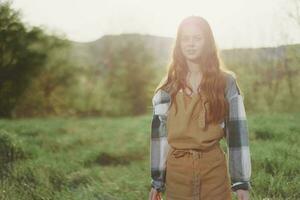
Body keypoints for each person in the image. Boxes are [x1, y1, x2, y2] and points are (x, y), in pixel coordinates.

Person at [148, 16, 252, 200]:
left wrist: (240, 182)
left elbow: (237, 135)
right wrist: (157, 182)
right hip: (178, 176)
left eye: (197, 38)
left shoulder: (226, 83)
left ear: (207, 42)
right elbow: (160, 139)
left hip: (214, 174)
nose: (191, 44)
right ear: (179, 44)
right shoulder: (167, 89)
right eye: (185, 39)